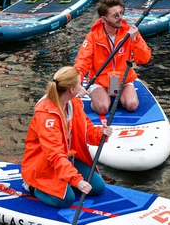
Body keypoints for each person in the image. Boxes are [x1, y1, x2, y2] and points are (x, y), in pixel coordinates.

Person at [21, 66, 112, 208]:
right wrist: (77, 180)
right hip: (44, 164)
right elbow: (55, 155)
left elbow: (86, 129)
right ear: (71, 90)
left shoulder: (73, 103)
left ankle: (64, 179)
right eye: (80, 84)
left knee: (98, 187)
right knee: (66, 199)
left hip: (66, 158)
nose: (82, 87)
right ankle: (32, 186)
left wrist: (101, 133)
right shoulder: (46, 116)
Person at [74, 0, 152, 115]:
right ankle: (96, 98)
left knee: (132, 105)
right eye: (116, 16)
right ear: (104, 19)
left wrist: (135, 40)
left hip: (123, 80)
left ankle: (120, 96)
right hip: (100, 82)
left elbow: (144, 59)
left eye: (121, 13)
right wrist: (77, 83)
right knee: (103, 108)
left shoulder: (130, 32)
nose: (121, 18)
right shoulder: (93, 36)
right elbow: (82, 61)